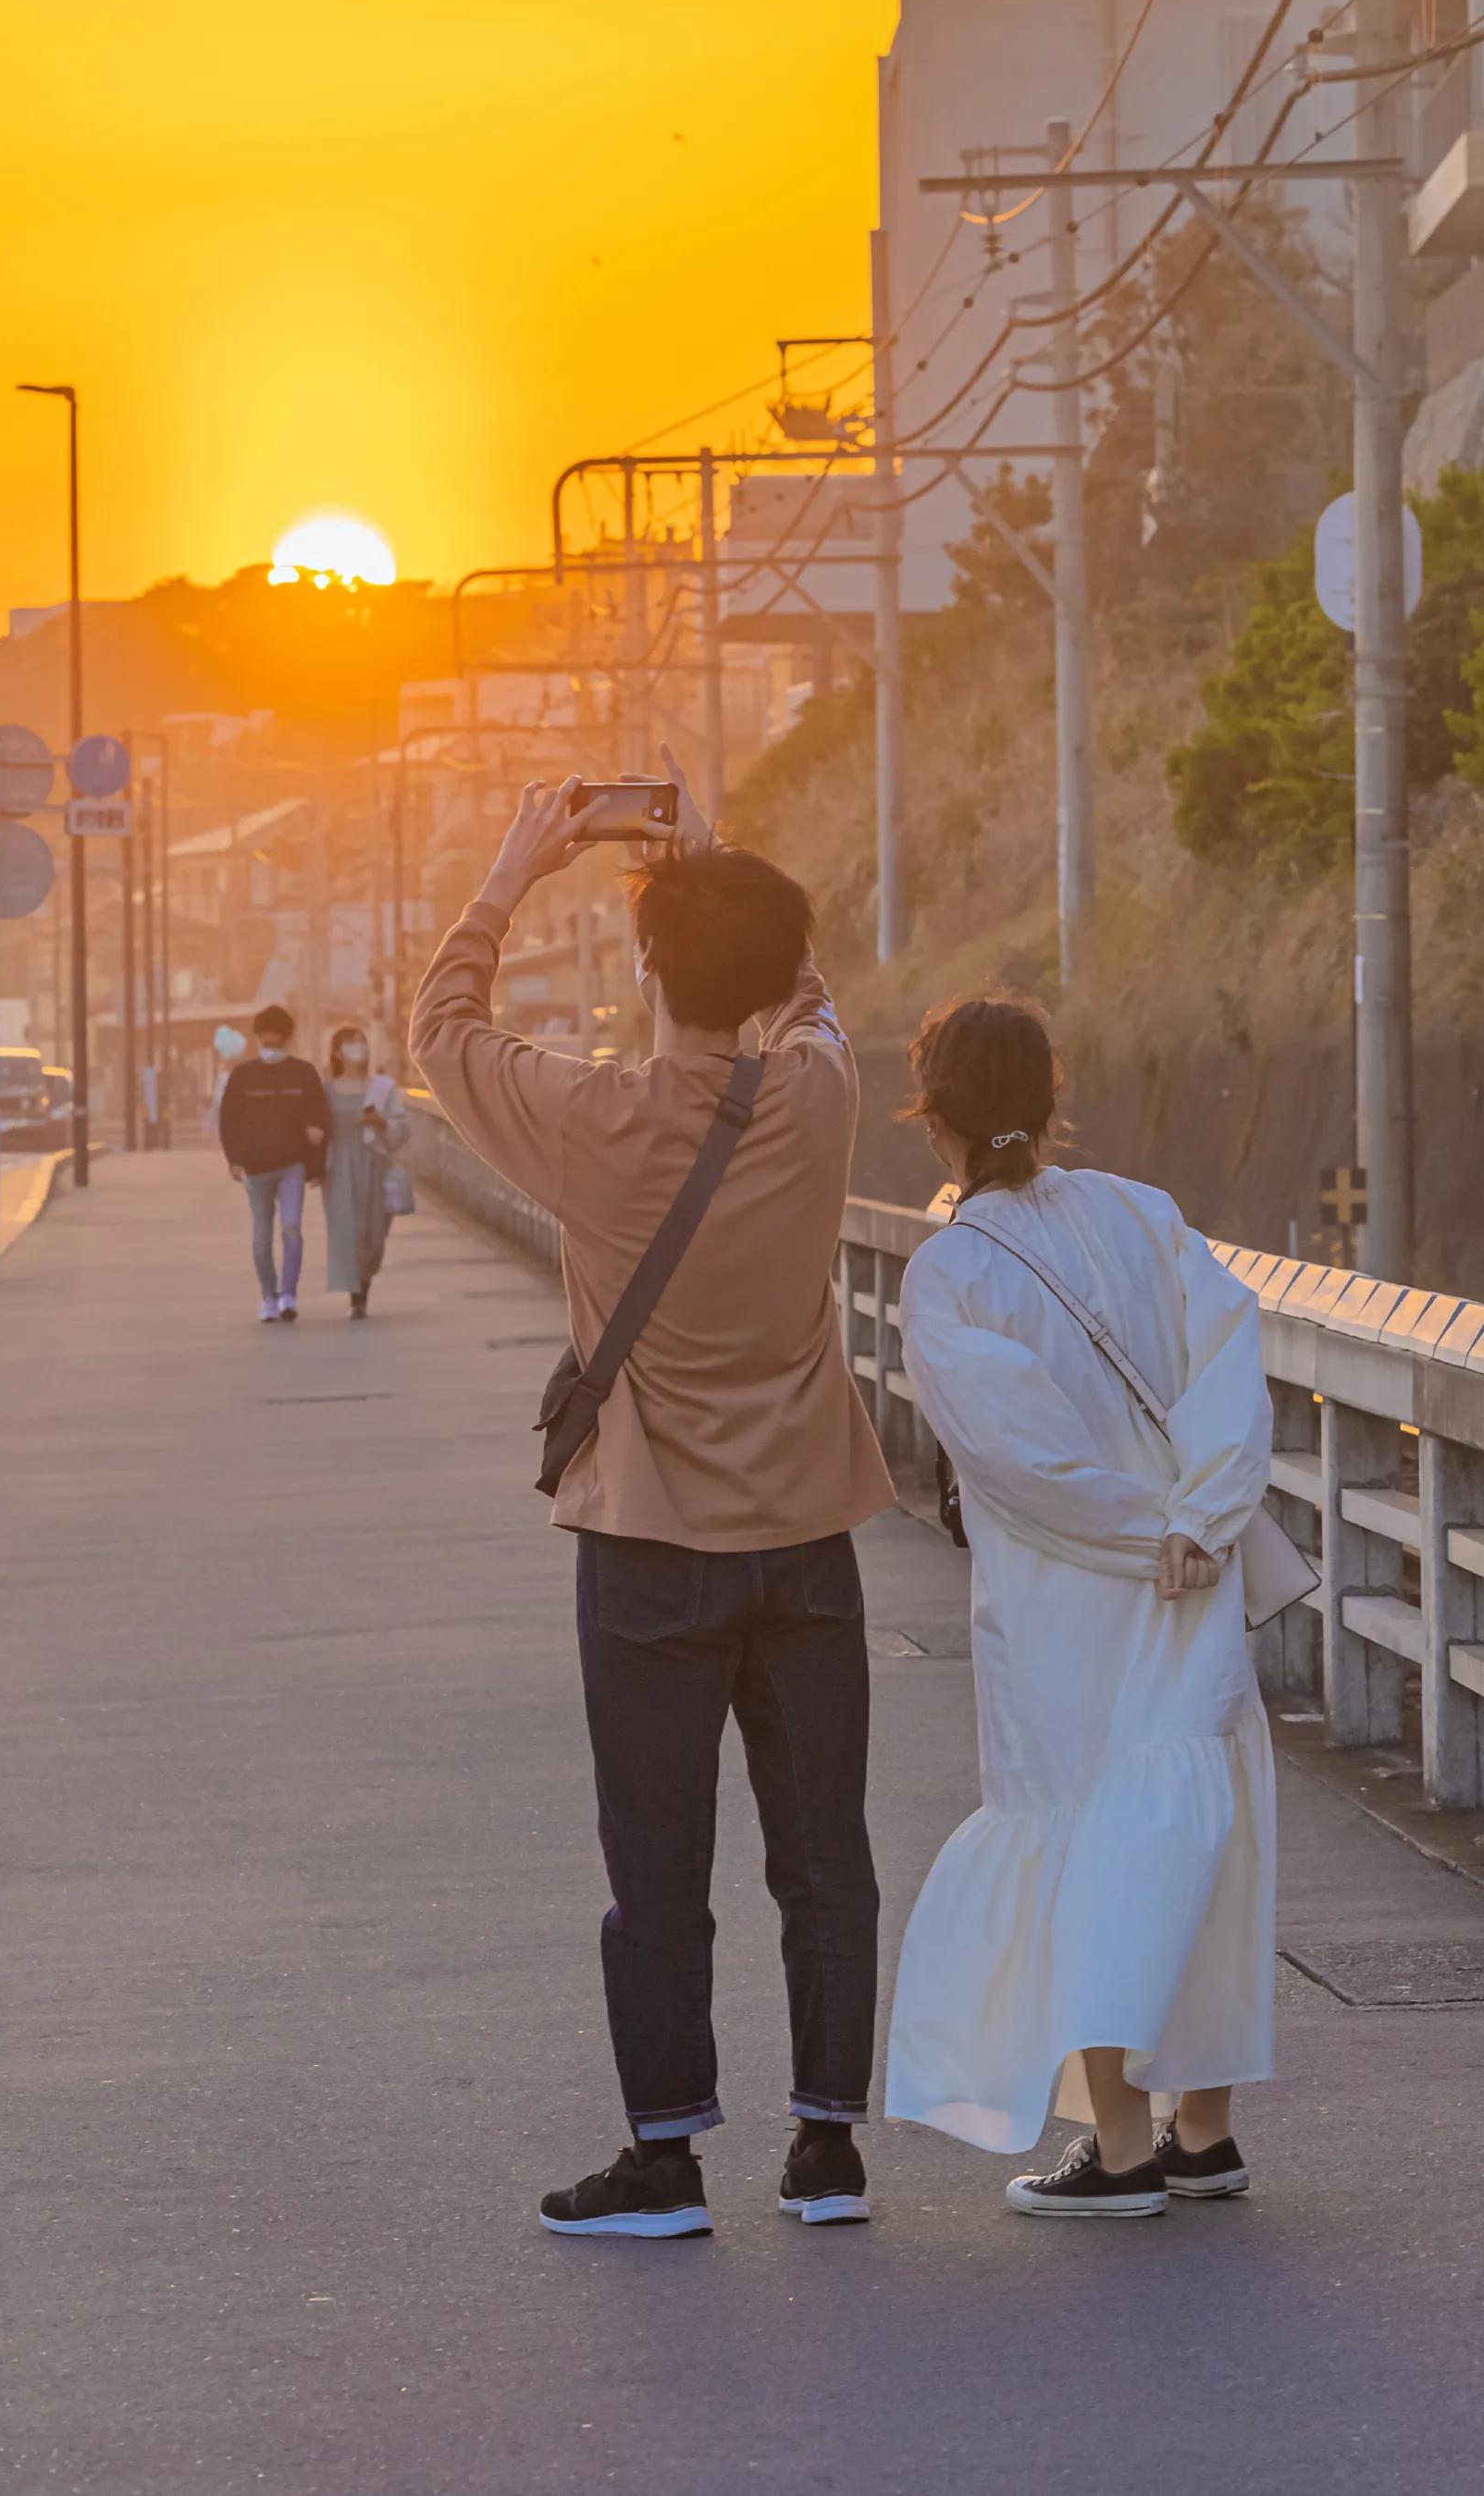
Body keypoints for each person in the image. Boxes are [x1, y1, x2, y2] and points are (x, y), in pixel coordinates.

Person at [410, 761, 892, 2245]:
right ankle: (826, 2148)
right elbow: (804, 991)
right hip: (807, 1538)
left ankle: (667, 2157)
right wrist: (723, 861)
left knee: (658, 1865)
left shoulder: (589, 1120)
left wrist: (515, 864)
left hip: (648, 1552)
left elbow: (442, 1031)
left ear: (646, 965)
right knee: (824, 1850)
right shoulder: (817, 1097)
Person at [884, 995, 1277, 2220]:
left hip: (1072, 1598)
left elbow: (1019, 1457)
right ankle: (1202, 2129)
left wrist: (1138, 1530)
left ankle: (1118, 2147)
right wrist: (1201, 1519)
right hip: (1192, 1584)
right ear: (1053, 1097)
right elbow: (1232, 1355)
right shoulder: (1139, 1212)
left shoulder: (952, 1270)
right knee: (1197, 1833)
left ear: (935, 1120)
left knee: (1082, 1832)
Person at [216, 1006, 330, 1325]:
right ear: (256, 1040)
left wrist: (317, 1163)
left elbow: (321, 1118)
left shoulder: (304, 1074)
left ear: (288, 1041)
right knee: (261, 1237)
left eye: (277, 1044)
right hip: (255, 1168)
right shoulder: (243, 1077)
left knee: (291, 1229)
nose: (271, 1050)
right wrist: (234, 1160)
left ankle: (288, 1295)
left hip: (292, 1165)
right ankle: (268, 1296)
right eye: (266, 1044)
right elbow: (229, 1121)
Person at [321, 1023, 412, 1317]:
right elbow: (315, 1130)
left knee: (374, 1236)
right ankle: (356, 1296)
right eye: (351, 1042)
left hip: (375, 1166)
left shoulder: (382, 1088)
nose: (360, 1046)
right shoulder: (326, 1091)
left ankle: (365, 1280)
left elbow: (403, 1128)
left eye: (362, 1042)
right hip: (339, 1169)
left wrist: (380, 1123)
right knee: (350, 1232)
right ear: (337, 1052)